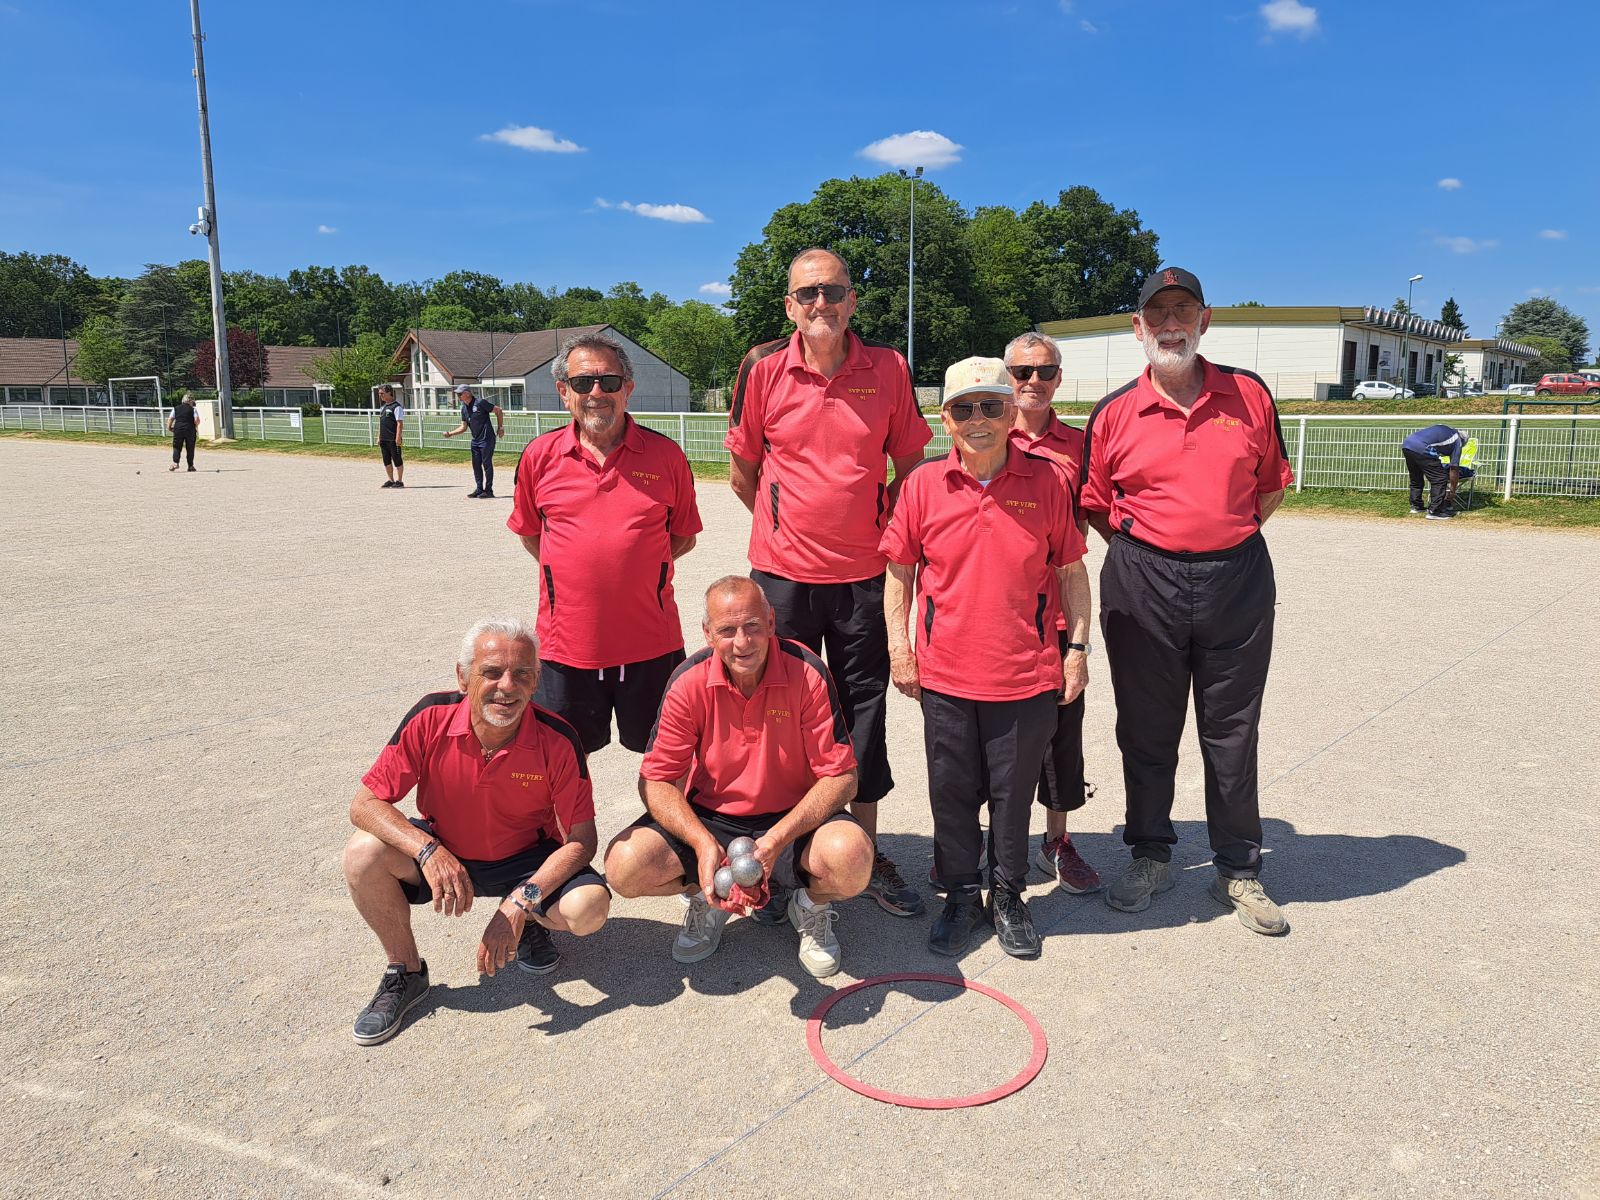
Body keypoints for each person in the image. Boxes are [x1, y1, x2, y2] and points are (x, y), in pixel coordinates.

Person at [1079, 266, 1293, 936]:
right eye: (1157, 314)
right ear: (1138, 327)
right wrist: (1158, 549)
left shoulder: (1249, 396)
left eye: (1184, 311)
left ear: (1205, 321)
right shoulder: (1114, 412)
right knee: (1147, 727)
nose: (1171, 325)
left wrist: (1215, 538)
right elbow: (1096, 504)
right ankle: (1150, 852)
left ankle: (1238, 863)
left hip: (1237, 577)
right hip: (1144, 581)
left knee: (1231, 729)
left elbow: (1269, 488)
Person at [725, 247, 933, 919]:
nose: (821, 303)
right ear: (789, 304)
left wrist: (873, 529)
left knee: (862, 708)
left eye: (833, 291)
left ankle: (864, 849)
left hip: (864, 576)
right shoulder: (762, 368)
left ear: (852, 300)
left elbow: (909, 465)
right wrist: (788, 529)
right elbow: (743, 474)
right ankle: (775, 848)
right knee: (772, 709)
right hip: (781, 578)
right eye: (807, 293)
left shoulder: (889, 369)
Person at [882, 357, 1091, 959]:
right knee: (950, 792)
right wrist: (900, 647)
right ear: (945, 419)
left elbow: (1073, 572)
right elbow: (899, 575)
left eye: (992, 405)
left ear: (1011, 412)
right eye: (965, 408)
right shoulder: (921, 484)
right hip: (945, 672)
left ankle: (1008, 895)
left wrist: (1075, 650)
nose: (979, 419)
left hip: (1024, 673)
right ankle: (958, 895)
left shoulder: (1048, 481)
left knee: (1012, 793)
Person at [340, 617, 610, 1045]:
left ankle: (530, 923)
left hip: (526, 859)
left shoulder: (558, 739)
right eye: (491, 672)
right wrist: (428, 851)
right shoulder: (430, 717)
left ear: (537, 680)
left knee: (588, 907)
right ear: (463, 677)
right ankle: (406, 972)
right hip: (445, 847)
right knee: (361, 854)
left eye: (522, 673)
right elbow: (365, 804)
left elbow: (582, 840)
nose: (507, 685)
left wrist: (522, 902)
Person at [603, 577, 873, 978]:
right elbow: (656, 781)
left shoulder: (806, 671)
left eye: (752, 626)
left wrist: (778, 839)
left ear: (771, 621)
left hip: (793, 817)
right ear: (708, 634)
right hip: (712, 817)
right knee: (624, 866)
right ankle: (708, 896)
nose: (742, 642)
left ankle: (809, 904)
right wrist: (701, 843)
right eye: (727, 630)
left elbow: (842, 777)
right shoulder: (688, 680)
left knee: (853, 859)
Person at [507, 332, 702, 755]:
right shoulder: (539, 457)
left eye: (609, 382)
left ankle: (663, 825)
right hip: (566, 647)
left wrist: (637, 564)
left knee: (669, 757)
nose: (597, 393)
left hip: (652, 645)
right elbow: (530, 532)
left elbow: (682, 534)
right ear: (563, 392)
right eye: (582, 383)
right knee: (561, 760)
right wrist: (573, 567)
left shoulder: (666, 456)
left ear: (628, 388)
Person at [1004, 331, 1101, 894]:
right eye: (1022, 372)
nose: (1033, 383)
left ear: (1059, 377)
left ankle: (1056, 840)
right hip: (996, 613)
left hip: (1059, 613)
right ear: (1007, 375)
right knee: (990, 735)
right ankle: (985, 841)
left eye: (1044, 372)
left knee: (1063, 732)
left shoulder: (1079, 445)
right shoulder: (985, 432)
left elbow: (1094, 516)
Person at [442, 383, 504, 498]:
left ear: (467, 394)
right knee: (476, 465)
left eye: (460, 394)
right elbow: (463, 427)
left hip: (487, 438)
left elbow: (498, 410)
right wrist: (450, 434)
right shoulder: (464, 409)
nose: (458, 396)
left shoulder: (480, 403)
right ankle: (479, 489)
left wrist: (500, 428)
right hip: (475, 440)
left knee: (486, 464)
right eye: (458, 394)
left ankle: (489, 490)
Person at [1401, 424, 1469, 520]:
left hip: (1407, 444)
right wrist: (1453, 491)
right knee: (1440, 478)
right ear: (1463, 441)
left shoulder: (1447, 431)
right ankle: (1435, 511)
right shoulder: (1458, 442)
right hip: (1423, 448)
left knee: (1416, 476)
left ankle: (1416, 506)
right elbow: (1454, 468)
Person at [377, 384, 405, 489]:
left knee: (397, 459)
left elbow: (399, 423)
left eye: (382, 393)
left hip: (393, 438)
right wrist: (379, 436)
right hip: (384, 438)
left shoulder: (396, 407)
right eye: (379, 394)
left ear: (389, 392)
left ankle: (399, 480)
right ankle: (390, 480)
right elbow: (381, 423)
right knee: (386, 460)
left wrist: (398, 437)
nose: (381, 395)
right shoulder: (383, 407)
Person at [168, 392, 198, 472]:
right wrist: (195, 425)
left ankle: (175, 463)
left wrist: (169, 427)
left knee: (177, 446)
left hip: (178, 429)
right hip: (190, 430)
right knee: (190, 447)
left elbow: (171, 419)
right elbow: (196, 420)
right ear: (190, 401)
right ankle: (190, 466)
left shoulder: (176, 408)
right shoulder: (193, 409)